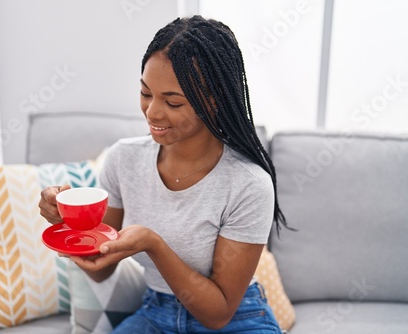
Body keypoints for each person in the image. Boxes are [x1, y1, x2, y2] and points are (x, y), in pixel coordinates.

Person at [39, 15, 291, 333]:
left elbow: (218, 314)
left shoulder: (248, 184)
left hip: (236, 321)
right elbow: (101, 269)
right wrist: (66, 223)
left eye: (172, 102)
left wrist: (153, 245)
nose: (152, 112)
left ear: (213, 102)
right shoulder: (123, 160)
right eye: (146, 94)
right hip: (155, 314)